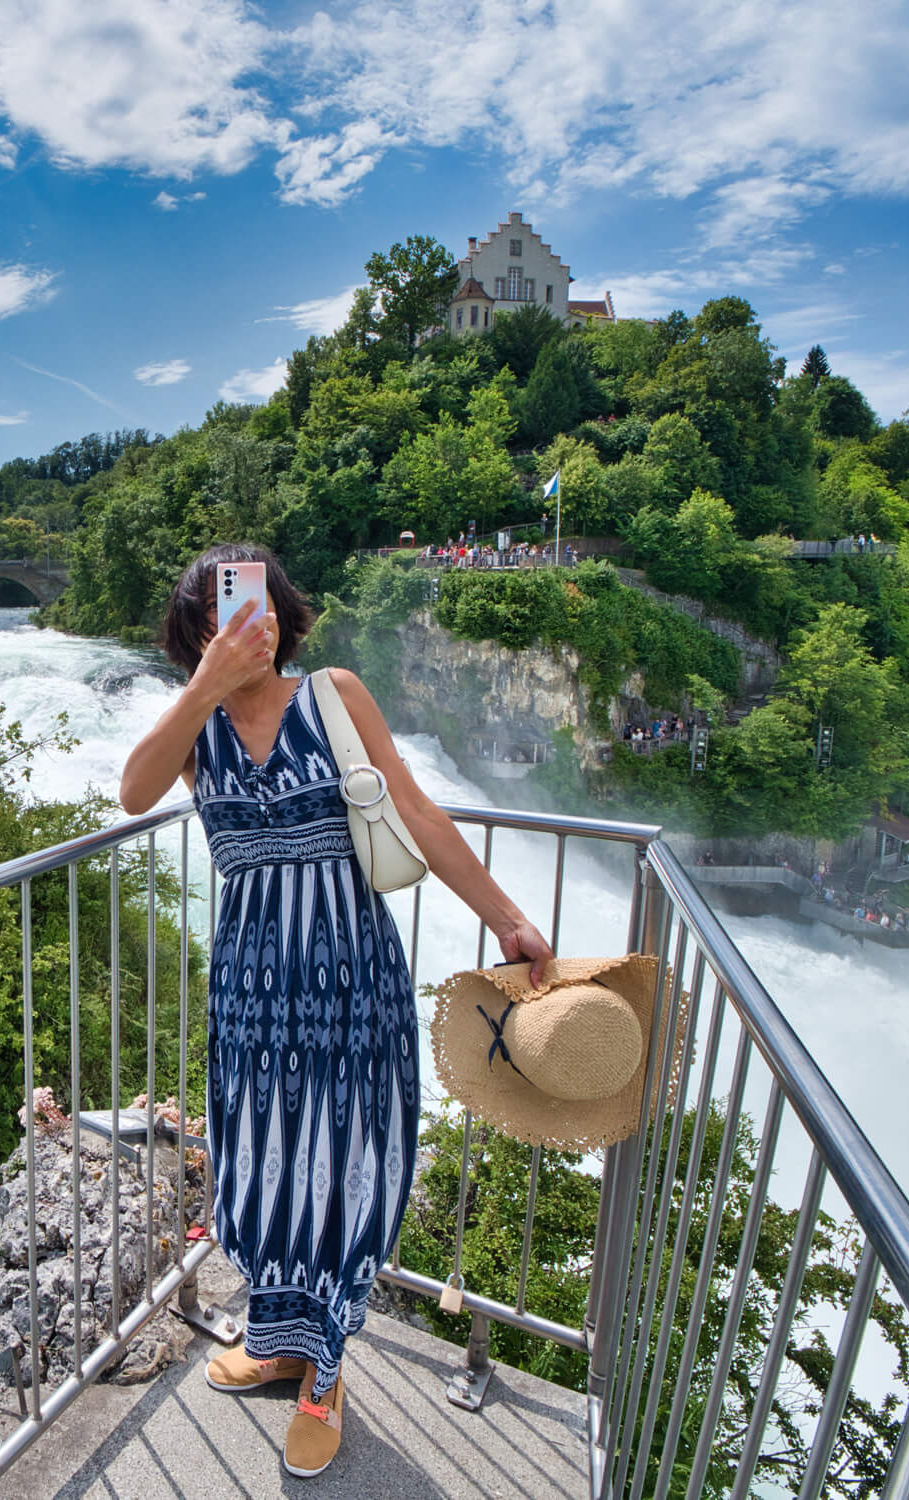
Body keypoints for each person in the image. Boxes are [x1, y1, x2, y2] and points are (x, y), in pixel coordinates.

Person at [119, 543, 554, 1478]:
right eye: (224, 608)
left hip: (351, 978)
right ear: (195, 629)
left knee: (349, 1156)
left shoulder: (334, 695)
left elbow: (423, 817)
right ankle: (279, 1339)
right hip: (253, 991)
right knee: (269, 1162)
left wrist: (509, 919)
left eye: (261, 601)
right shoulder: (195, 731)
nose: (250, 620)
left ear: (284, 613)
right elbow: (131, 792)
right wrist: (206, 686)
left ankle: (325, 1371)